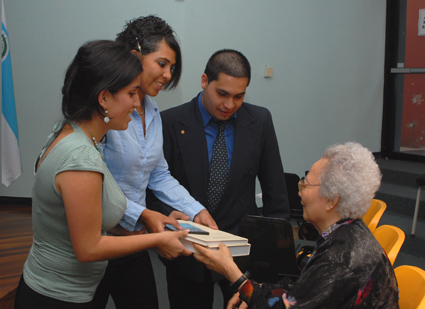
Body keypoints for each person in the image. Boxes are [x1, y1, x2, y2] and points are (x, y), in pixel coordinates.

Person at [14, 40, 192, 309]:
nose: (136, 104)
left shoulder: (77, 134)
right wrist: (157, 241)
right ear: (104, 98)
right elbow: (89, 249)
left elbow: (94, 221)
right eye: (132, 93)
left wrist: (154, 222)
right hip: (55, 298)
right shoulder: (80, 158)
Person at [147, 49, 291, 308]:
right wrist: (167, 218)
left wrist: (272, 261)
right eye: (222, 94)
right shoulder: (169, 122)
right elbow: (153, 188)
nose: (229, 105)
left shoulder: (259, 121)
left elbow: (275, 192)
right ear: (205, 81)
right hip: (188, 250)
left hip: (241, 252)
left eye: (239, 96)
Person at [92, 16, 217, 309]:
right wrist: (145, 215)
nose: (168, 74)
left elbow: (159, 175)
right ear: (135, 56)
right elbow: (94, 182)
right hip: (98, 239)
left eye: (172, 67)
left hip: (134, 241)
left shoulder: (153, 110)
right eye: (162, 64)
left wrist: (196, 210)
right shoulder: (105, 107)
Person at [193, 142, 400, 309]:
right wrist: (253, 290)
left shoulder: (340, 258)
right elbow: (307, 290)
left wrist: (232, 273)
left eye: (306, 184)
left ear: (331, 200)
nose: (299, 192)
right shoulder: (348, 231)